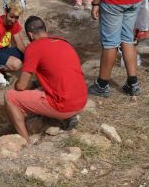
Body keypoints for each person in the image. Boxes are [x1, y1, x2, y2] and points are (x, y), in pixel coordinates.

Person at [5, 16, 87, 144]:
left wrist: (16, 83)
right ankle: (67, 118)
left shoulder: (34, 47)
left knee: (10, 97)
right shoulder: (63, 41)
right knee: (39, 85)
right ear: (44, 30)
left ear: (31, 35)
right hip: (81, 100)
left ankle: (25, 141)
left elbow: (21, 86)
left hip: (64, 105)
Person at [0, 0, 26, 72]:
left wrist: (30, 56)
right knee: (17, 64)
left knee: (27, 54)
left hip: (4, 49)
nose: (14, 20)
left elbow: (20, 44)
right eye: (11, 17)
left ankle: (1, 66)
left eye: (16, 18)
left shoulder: (14, 23)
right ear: (5, 12)